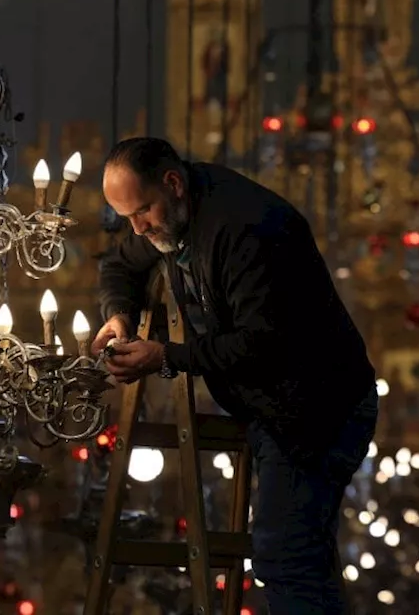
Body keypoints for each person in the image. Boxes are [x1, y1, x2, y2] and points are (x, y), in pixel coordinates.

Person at [92, 137, 378, 614]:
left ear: (173, 182)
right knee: (304, 564)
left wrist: (165, 356)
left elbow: (261, 343)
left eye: (142, 211)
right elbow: (120, 265)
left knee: (284, 560)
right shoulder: (171, 220)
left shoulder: (247, 227)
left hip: (319, 412)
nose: (138, 229)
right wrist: (118, 316)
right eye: (127, 218)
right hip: (278, 413)